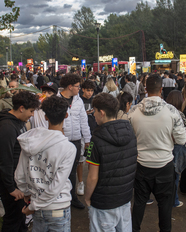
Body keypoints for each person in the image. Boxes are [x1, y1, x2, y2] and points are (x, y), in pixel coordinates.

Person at [129, 74, 186, 232]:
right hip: (165, 165)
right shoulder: (172, 112)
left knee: (139, 204)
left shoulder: (133, 112)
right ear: (161, 90)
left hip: (141, 165)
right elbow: (181, 139)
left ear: (145, 89)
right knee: (165, 207)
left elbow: (128, 138)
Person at [15, 96, 76, 232]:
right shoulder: (68, 148)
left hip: (38, 207)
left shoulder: (30, 140)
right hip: (58, 207)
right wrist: (32, 207)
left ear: (46, 117)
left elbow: (19, 175)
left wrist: (26, 194)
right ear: (66, 115)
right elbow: (56, 186)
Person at [85, 93, 137, 232]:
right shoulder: (130, 131)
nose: (93, 115)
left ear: (101, 112)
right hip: (124, 198)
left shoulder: (96, 140)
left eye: (94, 111)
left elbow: (92, 177)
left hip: (103, 202)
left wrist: (87, 197)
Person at [0, 91, 40, 232]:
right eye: (31, 111)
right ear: (21, 108)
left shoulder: (16, 123)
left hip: (14, 177)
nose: (32, 115)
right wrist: (11, 188)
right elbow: (4, 160)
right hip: (9, 179)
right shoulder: (6, 127)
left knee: (20, 216)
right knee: (13, 217)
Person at [58, 73, 91, 209]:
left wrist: (87, 139)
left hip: (77, 140)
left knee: (73, 170)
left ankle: (72, 198)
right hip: (61, 142)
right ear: (70, 87)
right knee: (61, 170)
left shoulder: (78, 101)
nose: (80, 89)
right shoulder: (56, 100)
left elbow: (84, 121)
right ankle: (60, 196)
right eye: (78, 86)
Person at [166, 90, 186, 208]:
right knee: (175, 175)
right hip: (177, 147)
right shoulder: (180, 114)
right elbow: (184, 134)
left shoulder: (164, 113)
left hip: (166, 146)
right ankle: (174, 200)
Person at [78, 80, 98, 196]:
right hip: (81, 133)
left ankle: (91, 180)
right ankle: (80, 182)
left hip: (93, 132)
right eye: (88, 90)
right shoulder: (78, 101)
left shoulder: (95, 100)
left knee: (92, 158)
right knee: (81, 160)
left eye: (91, 90)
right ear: (83, 89)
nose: (90, 93)